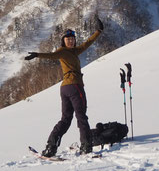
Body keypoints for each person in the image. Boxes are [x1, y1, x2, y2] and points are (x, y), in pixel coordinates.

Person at [24, 17, 104, 157]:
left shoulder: (74, 51)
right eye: (68, 39)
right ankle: (86, 146)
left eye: (72, 38)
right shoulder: (62, 51)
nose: (71, 40)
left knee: (66, 119)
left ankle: (51, 147)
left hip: (65, 89)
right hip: (74, 87)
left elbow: (87, 43)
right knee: (81, 116)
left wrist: (98, 31)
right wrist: (37, 55)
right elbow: (52, 55)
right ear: (63, 40)